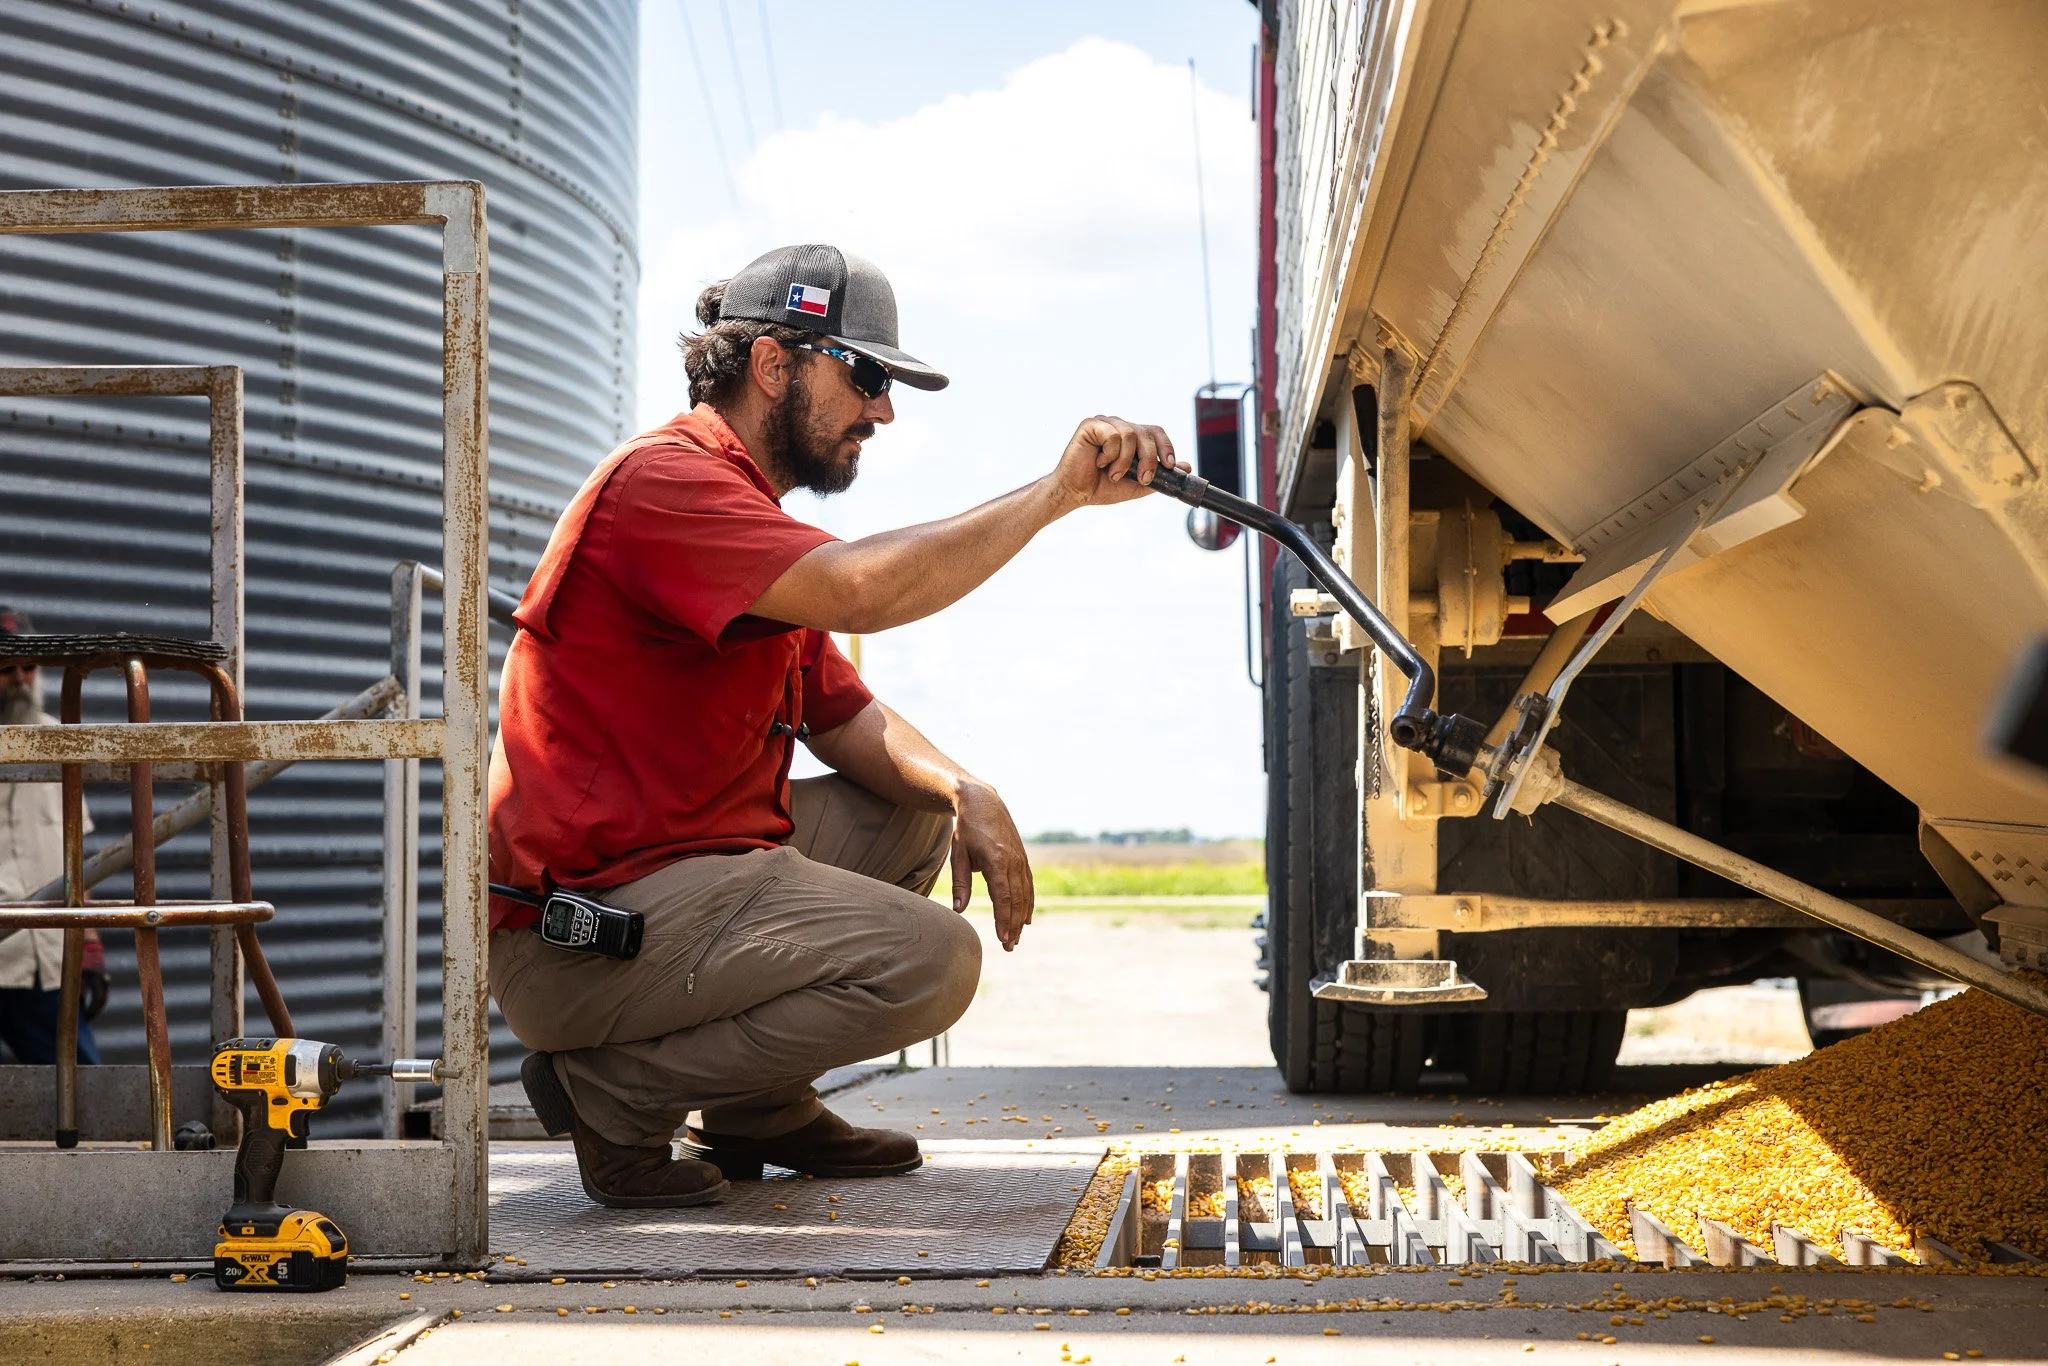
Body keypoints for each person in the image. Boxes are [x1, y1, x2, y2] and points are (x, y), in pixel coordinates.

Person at [488, 244, 1176, 1208]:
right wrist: (1054, 494)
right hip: (585, 929)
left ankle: (757, 1109)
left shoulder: (742, 524)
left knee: (914, 812)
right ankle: (610, 1095)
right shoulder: (665, 487)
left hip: (674, 883)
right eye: (864, 375)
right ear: (773, 365)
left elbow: (847, 718)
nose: (883, 410)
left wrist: (967, 790)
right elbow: (866, 589)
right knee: (931, 963)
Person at [0, 606, 108, 1066]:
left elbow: (75, 854)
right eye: (6, 669)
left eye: (29, 667)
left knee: (83, 1093)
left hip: (43, 960)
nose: (21, 679)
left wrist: (89, 943)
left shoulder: (59, 742)